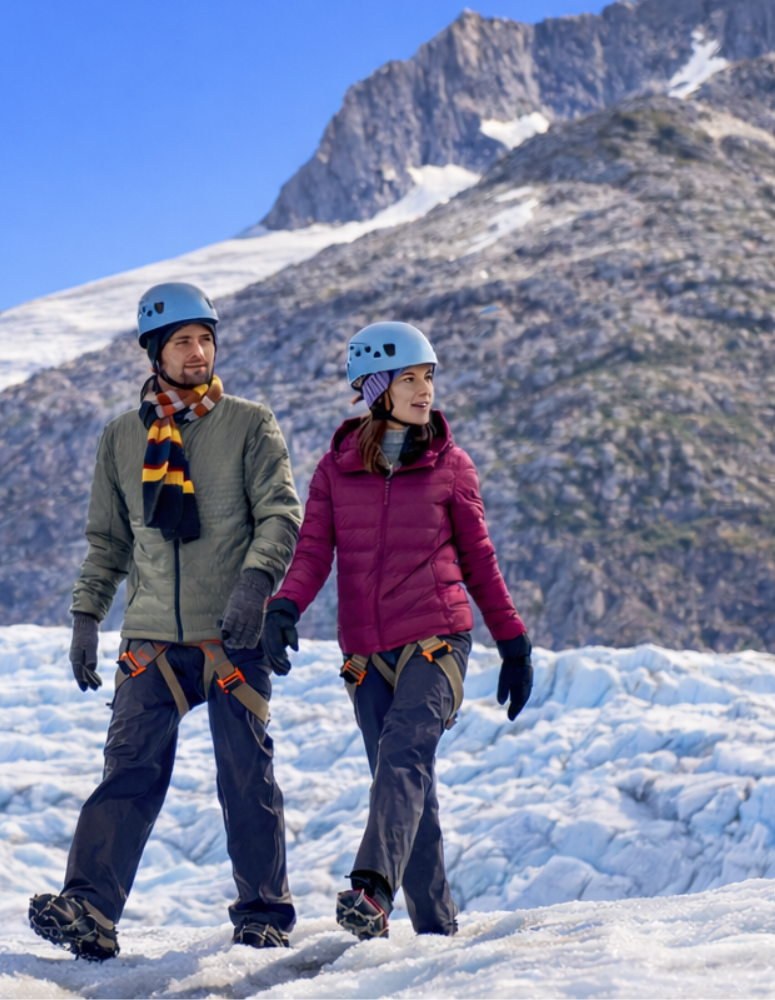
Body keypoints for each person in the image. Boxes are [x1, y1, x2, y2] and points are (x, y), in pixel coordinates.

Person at [27, 282, 303, 960]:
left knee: (246, 778)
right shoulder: (123, 439)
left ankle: (263, 914)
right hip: (150, 640)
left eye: (205, 339)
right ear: (154, 351)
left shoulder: (248, 423)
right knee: (127, 772)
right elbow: (108, 542)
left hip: (231, 635)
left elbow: (281, 513)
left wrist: (256, 584)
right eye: (182, 341)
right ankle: (89, 910)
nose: (197, 352)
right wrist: (86, 617)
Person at [259, 321, 534, 941]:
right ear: (376, 388)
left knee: (405, 756)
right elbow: (312, 552)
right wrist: (285, 608)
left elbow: (480, 561)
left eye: (429, 377)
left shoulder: (451, 466)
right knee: (406, 786)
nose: (424, 391)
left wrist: (512, 642)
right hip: (365, 655)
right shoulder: (335, 471)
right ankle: (438, 932)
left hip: (437, 639)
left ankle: (371, 891)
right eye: (409, 378)